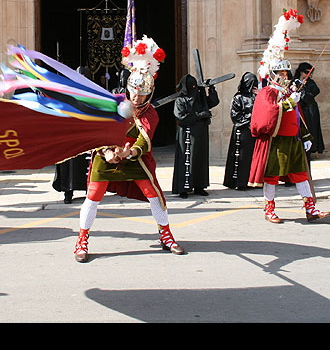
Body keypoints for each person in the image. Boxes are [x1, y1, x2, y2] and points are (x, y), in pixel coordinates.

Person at [74, 36, 184, 263]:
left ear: (150, 93)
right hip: (106, 156)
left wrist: (129, 153)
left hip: (135, 158)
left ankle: (166, 235)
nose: (137, 97)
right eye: (134, 91)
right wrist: (107, 151)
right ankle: (82, 240)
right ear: (128, 88)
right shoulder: (114, 104)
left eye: (142, 93)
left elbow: (144, 140)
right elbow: (100, 131)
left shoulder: (150, 112)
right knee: (93, 197)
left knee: (154, 195)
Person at [248, 9, 330, 223]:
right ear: (274, 74)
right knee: (272, 176)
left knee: (301, 174)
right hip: (276, 141)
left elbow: (297, 115)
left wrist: (305, 136)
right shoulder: (268, 92)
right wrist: (287, 103)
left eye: (286, 73)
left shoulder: (287, 92)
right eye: (281, 74)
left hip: (292, 140)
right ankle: (269, 210)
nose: (285, 76)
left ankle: (310, 209)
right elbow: (267, 115)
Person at [172, 74, 219, 198]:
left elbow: (213, 102)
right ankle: (183, 188)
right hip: (187, 134)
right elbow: (181, 117)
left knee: (200, 160)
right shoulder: (180, 100)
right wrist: (199, 115)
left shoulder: (200, 98)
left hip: (201, 133)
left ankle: (200, 186)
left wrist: (211, 89)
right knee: (186, 160)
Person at [52, 66, 93, 204]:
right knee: (68, 165)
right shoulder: (67, 92)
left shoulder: (94, 94)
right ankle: (68, 192)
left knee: (88, 164)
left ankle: (89, 191)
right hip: (71, 134)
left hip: (87, 134)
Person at [223, 71, 258, 190]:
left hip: (255, 132)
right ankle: (239, 182)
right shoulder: (238, 97)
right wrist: (249, 122)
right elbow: (235, 116)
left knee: (254, 157)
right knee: (242, 157)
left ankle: (253, 180)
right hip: (243, 131)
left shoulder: (257, 96)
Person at [293, 62, 325, 158]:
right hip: (299, 108)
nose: (308, 75)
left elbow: (315, 92)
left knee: (311, 127)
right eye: (306, 72)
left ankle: (311, 149)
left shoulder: (310, 82)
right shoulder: (295, 81)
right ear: (301, 72)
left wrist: (304, 89)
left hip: (310, 108)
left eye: (309, 73)